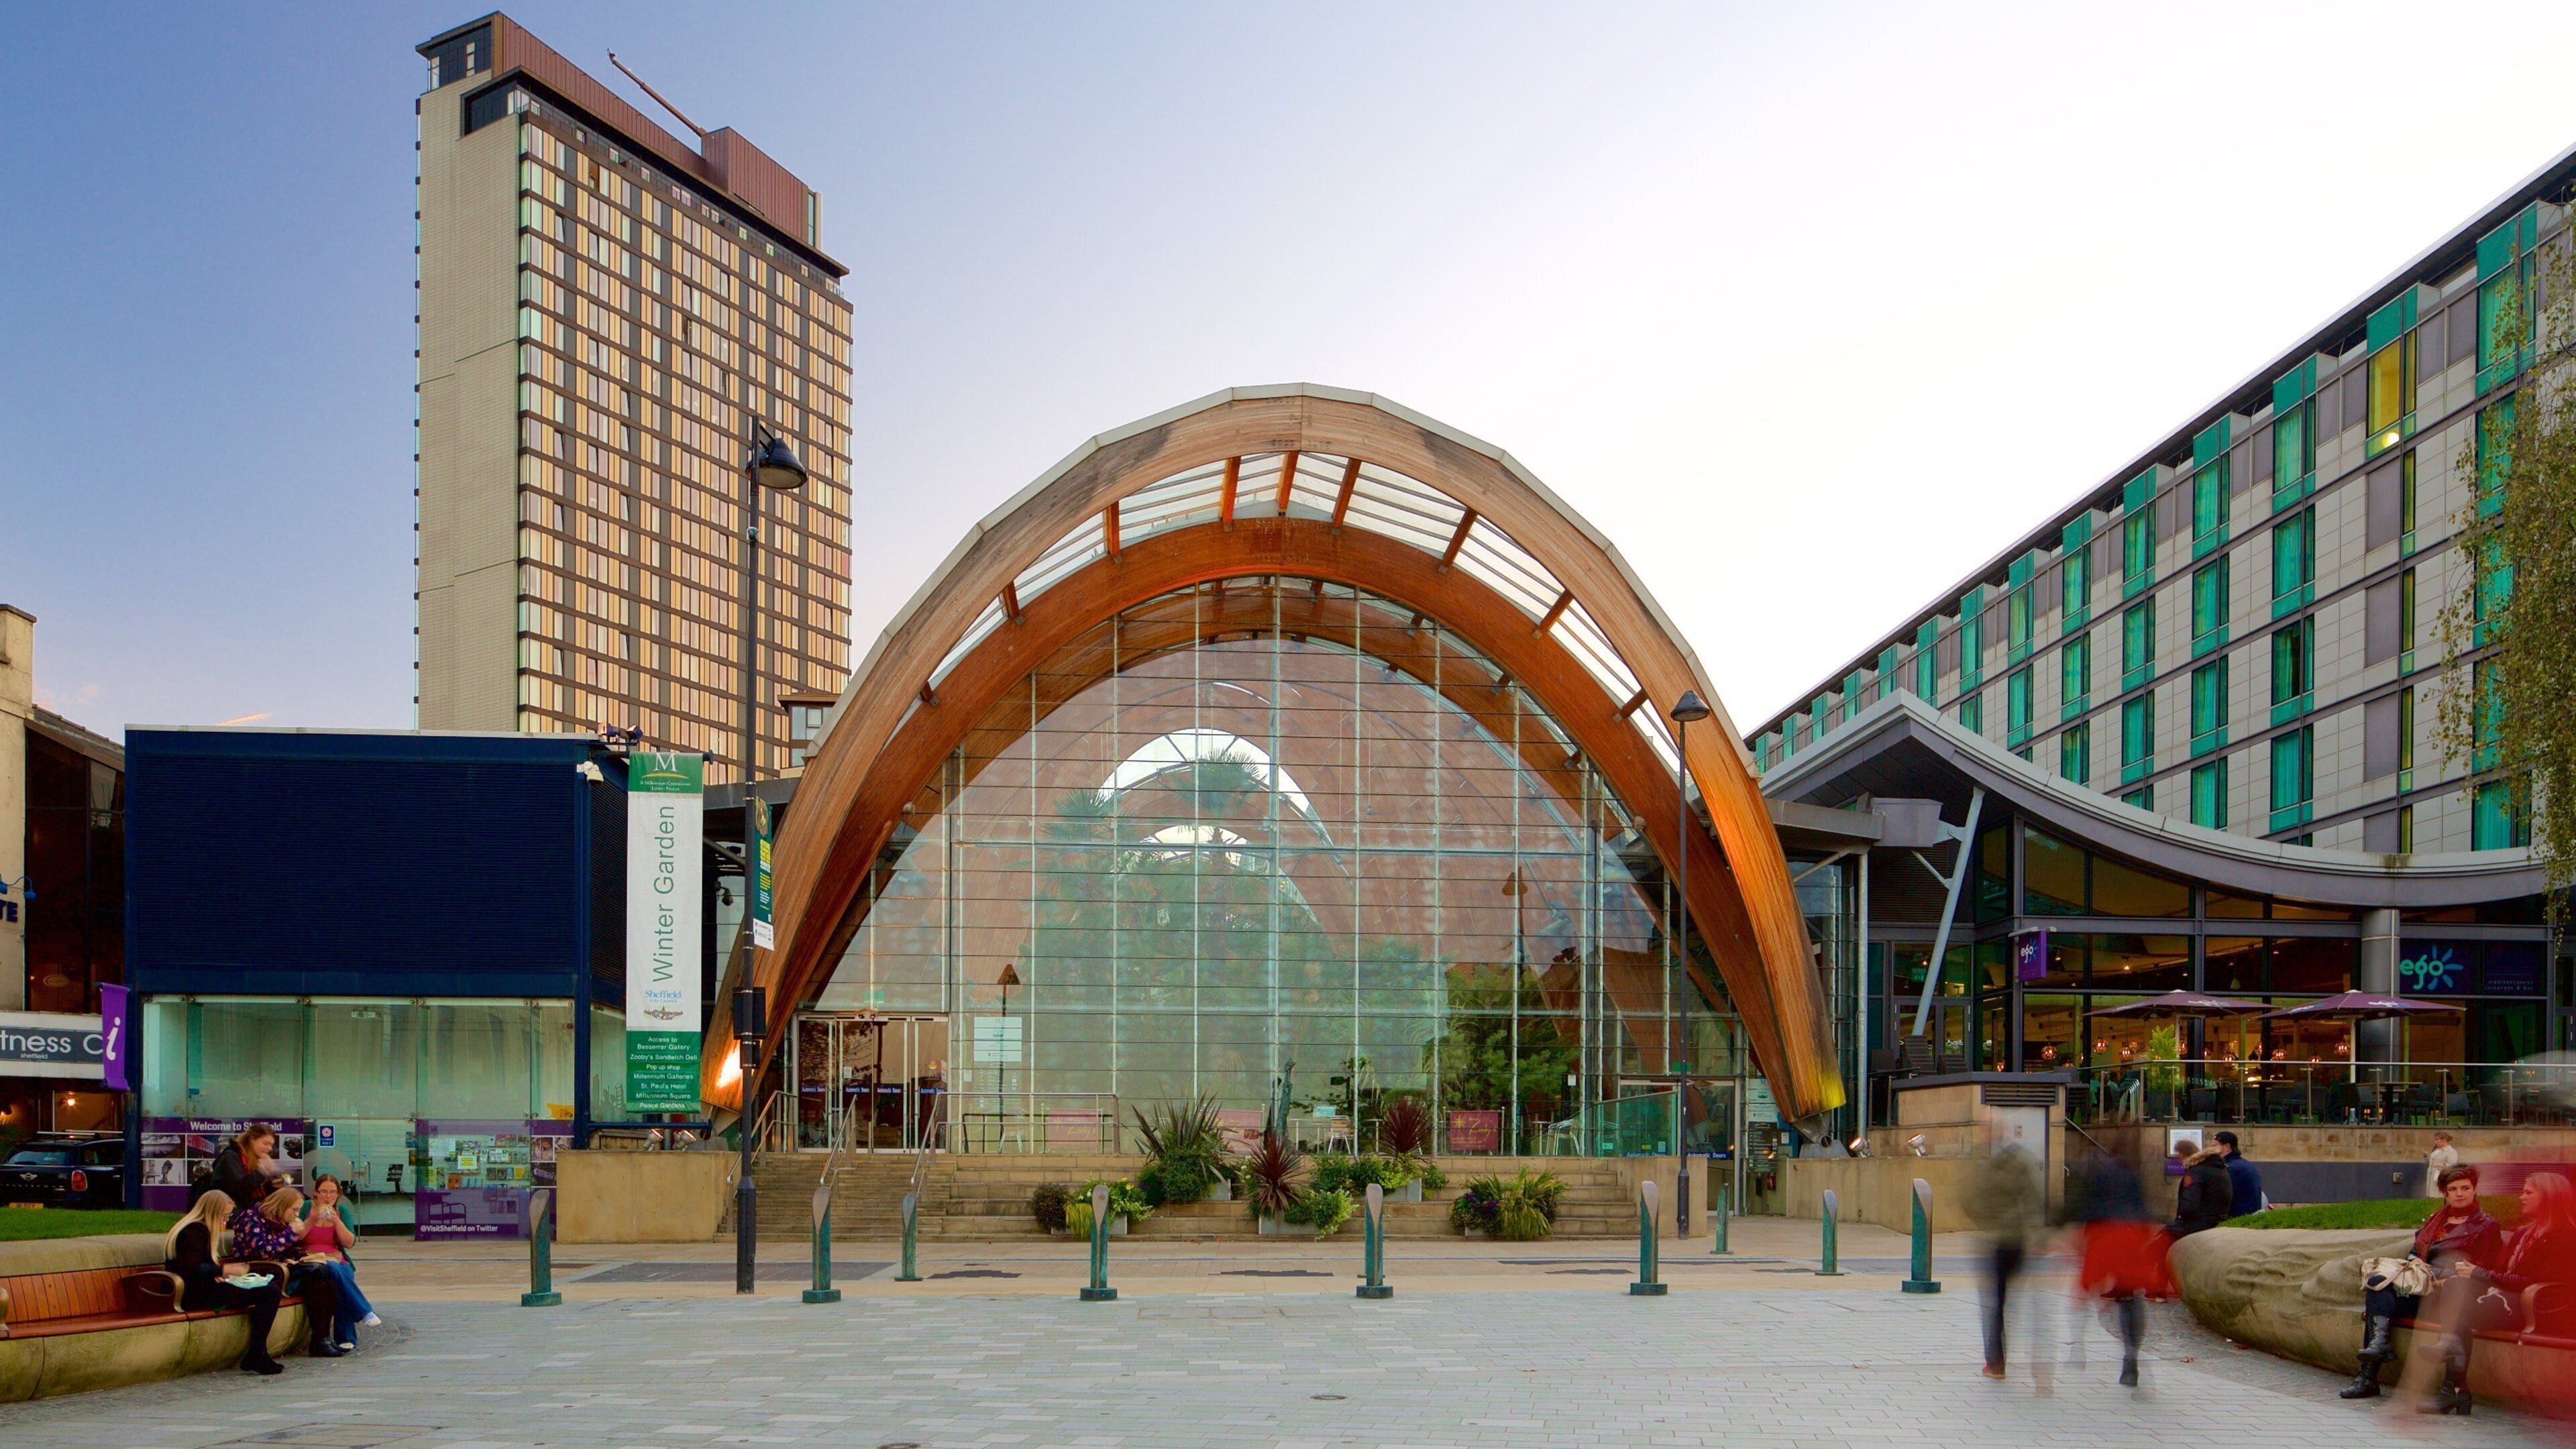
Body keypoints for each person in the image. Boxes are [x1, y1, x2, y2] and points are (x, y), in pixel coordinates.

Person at [2410, 1171, 2576, 1415]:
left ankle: (2453, 1390)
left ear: (2549, 1197)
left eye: (2528, 1192)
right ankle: (2453, 1378)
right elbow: (2501, 1271)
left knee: (2458, 1314)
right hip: (2505, 1297)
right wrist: (2469, 1275)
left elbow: (2535, 1281)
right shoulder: (2524, 1233)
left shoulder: (2565, 1236)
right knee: (2457, 1293)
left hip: (2536, 1305)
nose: (2521, 1197)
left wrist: (2480, 1274)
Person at [2337, 1164, 2503, 1401]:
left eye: (2465, 1188)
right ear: (2444, 1193)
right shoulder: (2437, 1220)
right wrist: (2415, 1263)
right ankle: (2370, 1370)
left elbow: (2485, 1270)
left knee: (2452, 1301)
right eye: (2453, 1189)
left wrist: (2438, 1271)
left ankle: (2453, 1390)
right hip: (2424, 1290)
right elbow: (2416, 1251)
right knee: (2379, 1284)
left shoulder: (2487, 1226)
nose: (2459, 1194)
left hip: (2452, 1296)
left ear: (2475, 1190)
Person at [165, 1189, 286, 1375]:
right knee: (270, 1292)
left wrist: (223, 1276)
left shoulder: (198, 1229)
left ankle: (259, 1352)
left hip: (200, 1289)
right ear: (212, 1212)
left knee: (267, 1290)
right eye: (225, 1215)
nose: (227, 1220)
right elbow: (191, 1268)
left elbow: (200, 1267)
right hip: (192, 1294)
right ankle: (256, 1353)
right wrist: (225, 1270)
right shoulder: (194, 1231)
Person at [2072, 1148, 2160, 1387]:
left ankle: (2077, 1348)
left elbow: (2088, 1210)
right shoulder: (2132, 1174)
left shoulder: (2098, 1175)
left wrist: (2082, 1240)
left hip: (2105, 1234)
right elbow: (2143, 1208)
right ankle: (2132, 1354)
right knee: (2131, 1296)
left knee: (2090, 1292)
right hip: (2132, 1234)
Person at [231, 1184, 346, 1358]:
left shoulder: (281, 1221)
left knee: (326, 1284)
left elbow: (288, 1247)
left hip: (281, 1267)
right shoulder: (252, 1218)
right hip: (261, 1271)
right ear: (281, 1205)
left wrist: (298, 1253)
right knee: (318, 1277)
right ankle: (320, 1340)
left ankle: (322, 1339)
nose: (296, 1214)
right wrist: (291, 1233)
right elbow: (265, 1251)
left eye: (298, 1210)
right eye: (294, 1210)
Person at [1965, 1139, 2046, 1380]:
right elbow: (2035, 1201)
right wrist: (2039, 1235)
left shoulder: (1989, 1170)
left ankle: (1996, 1363)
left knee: (1995, 1304)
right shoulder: (2021, 1166)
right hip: (2017, 1242)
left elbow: (1972, 1201)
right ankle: (2012, 1361)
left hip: (1996, 1242)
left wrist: (1985, 1225)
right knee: (2009, 1302)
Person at [294, 1174, 380, 1351]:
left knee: (338, 1274)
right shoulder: (305, 1208)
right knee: (335, 1273)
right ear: (315, 1193)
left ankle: (348, 1335)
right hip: (312, 1261)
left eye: (332, 1192)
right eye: (324, 1192)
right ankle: (361, 1316)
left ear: (338, 1194)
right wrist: (312, 1220)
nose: (328, 1196)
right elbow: (295, 1237)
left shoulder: (341, 1211)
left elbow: (349, 1242)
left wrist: (336, 1221)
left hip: (337, 1259)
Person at [205, 1123, 281, 1208]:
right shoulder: (231, 1157)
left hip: (245, 1213)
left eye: (271, 1145)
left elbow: (252, 1193)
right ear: (252, 1139)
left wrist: (272, 1186)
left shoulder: (252, 1160)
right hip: (227, 1213)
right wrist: (262, 1171)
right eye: (266, 1144)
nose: (270, 1148)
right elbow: (239, 1188)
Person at [2167, 1147, 2233, 1238]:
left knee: (2157, 1243)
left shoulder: (2195, 1171)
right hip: (2217, 1222)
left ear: (2183, 1156)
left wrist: (2181, 1218)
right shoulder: (2221, 1169)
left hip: (2197, 1225)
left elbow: (2189, 1205)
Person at [2214, 1131, 2263, 1218]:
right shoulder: (2246, 1165)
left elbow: (2221, 1196)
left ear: (2226, 1147)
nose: (2212, 1150)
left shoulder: (2231, 1169)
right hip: (2250, 1217)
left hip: (2237, 1218)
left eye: (2214, 1146)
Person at [2423, 1132, 2460, 1198]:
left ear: (2444, 1140)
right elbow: (2430, 1164)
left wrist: (2442, 1166)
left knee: (2439, 1195)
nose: (2435, 1142)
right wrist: (2426, 1157)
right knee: (2431, 1196)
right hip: (2431, 1177)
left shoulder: (2451, 1152)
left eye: (2437, 1140)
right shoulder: (2436, 1151)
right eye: (2435, 1140)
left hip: (2441, 1176)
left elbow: (2453, 1166)